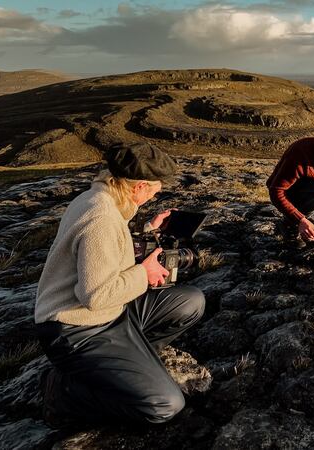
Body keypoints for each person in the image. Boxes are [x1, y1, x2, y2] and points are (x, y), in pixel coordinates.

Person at [34, 142, 205, 427]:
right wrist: (143, 274)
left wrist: (149, 229)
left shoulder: (99, 198)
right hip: (78, 330)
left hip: (113, 314)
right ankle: (62, 392)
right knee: (164, 405)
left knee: (191, 301)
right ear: (139, 186)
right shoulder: (101, 218)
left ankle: (132, 364)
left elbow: (109, 247)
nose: (156, 194)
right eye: (154, 189)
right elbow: (95, 296)